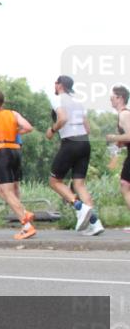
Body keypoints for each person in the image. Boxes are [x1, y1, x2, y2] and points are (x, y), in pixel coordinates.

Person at [46, 75, 103, 236]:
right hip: (84, 142)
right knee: (80, 185)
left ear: (60, 86)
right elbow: (88, 127)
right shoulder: (78, 101)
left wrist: (52, 130)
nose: (54, 85)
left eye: (55, 83)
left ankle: (79, 207)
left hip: (70, 143)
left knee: (54, 181)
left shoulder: (58, 99)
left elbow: (62, 118)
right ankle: (95, 222)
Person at [0, 89, 36, 240]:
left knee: (7, 191)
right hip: (16, 150)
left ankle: (26, 224)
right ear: (3, 102)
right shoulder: (13, 114)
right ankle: (24, 213)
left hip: (2, 151)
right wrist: (15, 131)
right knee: (5, 189)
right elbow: (28, 127)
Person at [105, 84, 130, 230]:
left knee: (125, 185)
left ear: (120, 98)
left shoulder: (124, 114)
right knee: (125, 185)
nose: (110, 101)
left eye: (112, 98)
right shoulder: (123, 114)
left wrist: (114, 136)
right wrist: (119, 143)